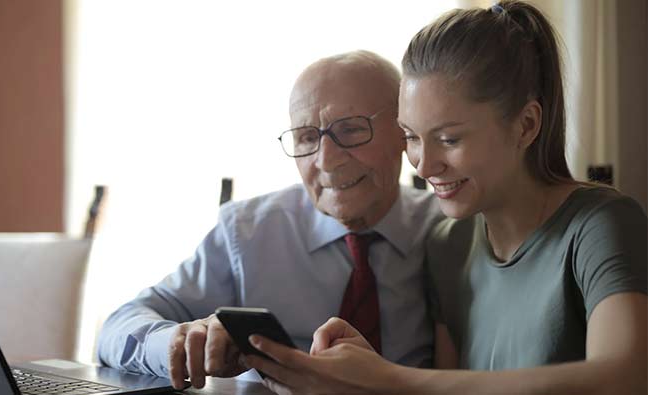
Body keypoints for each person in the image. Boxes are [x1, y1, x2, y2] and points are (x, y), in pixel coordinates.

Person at [243, 2, 648, 394]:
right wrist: (363, 377)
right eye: (411, 137)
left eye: (448, 139)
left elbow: (623, 381)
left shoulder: (600, 224)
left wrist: (387, 378)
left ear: (526, 125)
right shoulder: (447, 244)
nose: (423, 166)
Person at [96, 50, 444, 390]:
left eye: (351, 130)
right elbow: (117, 329)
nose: (326, 161)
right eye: (307, 137)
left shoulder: (448, 232)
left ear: (404, 133)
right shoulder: (247, 233)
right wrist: (180, 341)